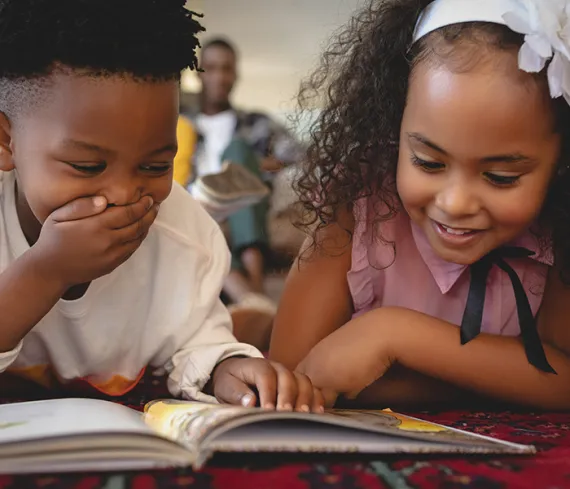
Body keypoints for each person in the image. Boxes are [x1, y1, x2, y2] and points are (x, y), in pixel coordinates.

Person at [0, 0, 324, 413]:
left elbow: (197, 346)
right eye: (87, 166)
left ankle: (251, 313)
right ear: (7, 143)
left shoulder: (186, 238)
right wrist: (46, 271)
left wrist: (227, 367)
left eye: (155, 165)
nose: (123, 194)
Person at [269, 0, 570, 411]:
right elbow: (294, 373)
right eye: (428, 162)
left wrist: (396, 336)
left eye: (501, 177)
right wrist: (505, 380)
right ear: (395, 123)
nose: (456, 202)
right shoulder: (356, 203)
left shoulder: (562, 227)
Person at [180, 38, 304, 325]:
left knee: (237, 150)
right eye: (211, 68)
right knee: (194, 216)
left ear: (235, 74)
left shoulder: (255, 122)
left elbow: (300, 156)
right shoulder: (180, 123)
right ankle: (253, 299)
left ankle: (254, 289)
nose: (219, 77)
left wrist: (252, 164)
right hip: (199, 203)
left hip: (247, 202)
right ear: (198, 73)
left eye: (226, 69)